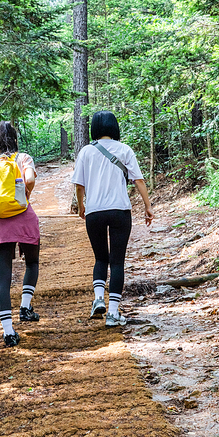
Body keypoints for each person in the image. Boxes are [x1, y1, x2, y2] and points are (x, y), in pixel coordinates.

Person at [71, 110, 154, 327]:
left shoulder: (86, 152)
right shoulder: (125, 149)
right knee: (117, 262)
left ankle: (99, 299)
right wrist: (147, 206)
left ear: (95, 129)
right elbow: (138, 180)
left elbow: (79, 185)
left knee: (100, 258)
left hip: (95, 212)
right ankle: (113, 313)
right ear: (114, 127)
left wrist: (82, 206)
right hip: (120, 211)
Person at [0, 121, 40, 347]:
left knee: (3, 277)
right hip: (24, 218)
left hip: (0, 222)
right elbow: (29, 179)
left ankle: (8, 332)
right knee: (32, 263)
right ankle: (25, 307)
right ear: (15, 138)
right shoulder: (23, 159)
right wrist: (26, 196)